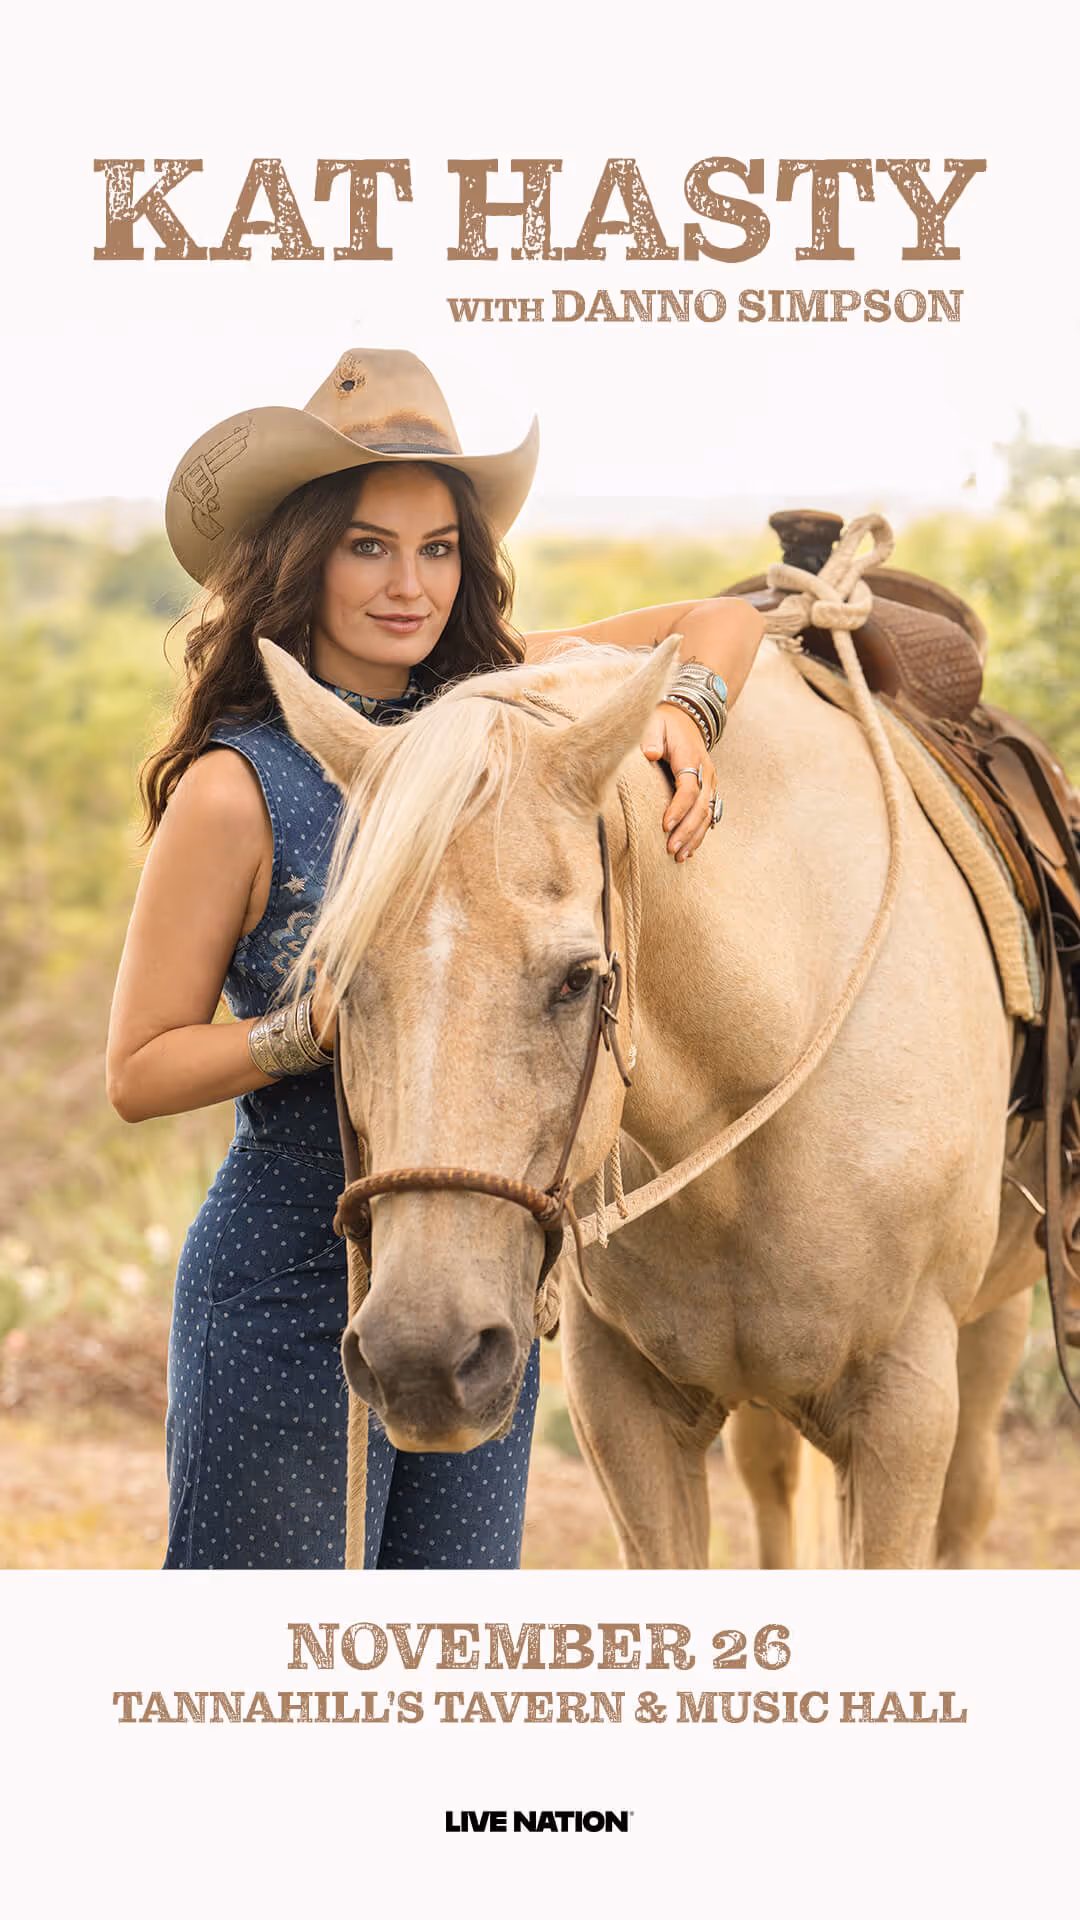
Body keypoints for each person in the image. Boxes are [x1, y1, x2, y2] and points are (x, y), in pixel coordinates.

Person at [106, 348, 764, 1569]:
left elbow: (722, 620)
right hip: (292, 1293)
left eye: (438, 549)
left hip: (473, 1274)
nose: (408, 585)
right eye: (367, 546)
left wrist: (689, 711)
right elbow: (137, 1070)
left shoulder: (492, 711)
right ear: (297, 559)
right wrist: (316, 1025)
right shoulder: (236, 790)